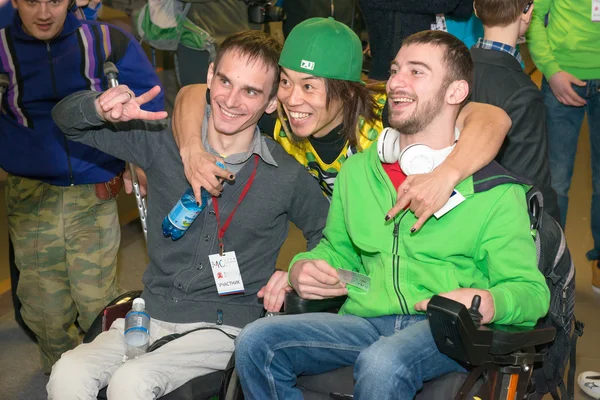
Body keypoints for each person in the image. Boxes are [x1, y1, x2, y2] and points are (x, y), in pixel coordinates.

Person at [233, 30, 550, 400]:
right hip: (366, 320)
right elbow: (339, 251)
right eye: (396, 69)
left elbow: (531, 293)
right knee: (255, 342)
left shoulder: (494, 190)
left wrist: (485, 301)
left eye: (417, 72)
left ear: (455, 93)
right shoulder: (359, 172)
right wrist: (305, 266)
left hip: (443, 329)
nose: (397, 81)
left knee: (383, 362)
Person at [47, 30, 329, 399]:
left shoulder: (285, 175)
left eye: (251, 91)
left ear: (272, 102)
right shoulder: (163, 140)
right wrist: (98, 107)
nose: (231, 99)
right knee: (67, 372)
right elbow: (65, 121)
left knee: (131, 382)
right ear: (210, 76)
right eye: (225, 81)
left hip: (225, 328)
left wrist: (295, 271)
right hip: (151, 316)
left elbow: (328, 234)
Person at [172, 17, 511, 232]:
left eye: (309, 86)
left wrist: (445, 175)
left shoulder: (387, 114)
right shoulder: (280, 118)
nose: (292, 100)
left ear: (346, 92)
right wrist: (192, 151)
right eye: (287, 82)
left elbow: (492, 118)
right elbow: (191, 94)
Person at [0, 0, 163, 373]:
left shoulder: (108, 40)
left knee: (97, 302)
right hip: (31, 197)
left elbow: (151, 104)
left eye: (54, 0)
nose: (43, 12)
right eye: (31, 1)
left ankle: (104, 377)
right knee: (45, 307)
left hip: (93, 191)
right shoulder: (2, 46)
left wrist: (141, 159)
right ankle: (62, 379)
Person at [526, 0, 600, 291]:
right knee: (555, 182)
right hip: (560, 78)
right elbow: (534, 19)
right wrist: (551, 71)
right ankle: (553, 265)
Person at [469, 0, 560, 221]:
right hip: (504, 220)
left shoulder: (456, 70)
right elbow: (532, 184)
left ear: (475, 8)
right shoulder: (523, 94)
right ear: (527, 12)